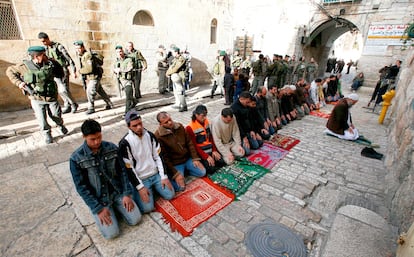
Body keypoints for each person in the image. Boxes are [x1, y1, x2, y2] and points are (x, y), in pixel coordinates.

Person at [69, 119, 142, 240]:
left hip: (117, 193)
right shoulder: (76, 158)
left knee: (136, 220)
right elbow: (81, 187)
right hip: (100, 200)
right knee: (112, 234)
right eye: (92, 139)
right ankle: (110, 211)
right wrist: (98, 209)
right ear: (84, 137)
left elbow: (122, 172)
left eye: (99, 137)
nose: (97, 142)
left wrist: (126, 194)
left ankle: (117, 209)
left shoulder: (111, 148)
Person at [6, 46, 68, 144]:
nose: (44, 56)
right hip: (36, 97)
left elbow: (60, 74)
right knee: (41, 118)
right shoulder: (24, 66)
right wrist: (20, 83)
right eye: (42, 55)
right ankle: (47, 133)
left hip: (51, 96)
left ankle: (60, 125)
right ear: (36, 56)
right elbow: (10, 71)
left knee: (56, 115)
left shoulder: (50, 63)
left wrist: (55, 63)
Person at [119, 110, 174, 213]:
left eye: (140, 123)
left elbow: (158, 156)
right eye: (135, 125)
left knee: (170, 195)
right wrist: (140, 187)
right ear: (129, 127)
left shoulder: (150, 135)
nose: (139, 127)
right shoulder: (125, 143)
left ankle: (154, 190)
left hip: (155, 174)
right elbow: (129, 168)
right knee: (147, 208)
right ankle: (142, 192)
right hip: (141, 179)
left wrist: (164, 177)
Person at [154, 111, 206, 191]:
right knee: (180, 187)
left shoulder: (179, 126)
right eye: (166, 122)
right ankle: (178, 175)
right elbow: (165, 158)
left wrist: (195, 158)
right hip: (175, 163)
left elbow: (189, 143)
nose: (170, 123)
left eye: (170, 119)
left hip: (187, 158)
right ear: (161, 124)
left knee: (202, 172)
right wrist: (176, 173)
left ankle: (186, 171)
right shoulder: (158, 136)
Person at [38, 32, 78, 114]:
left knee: (63, 90)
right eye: (42, 42)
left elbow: (69, 59)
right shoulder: (46, 50)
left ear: (48, 39)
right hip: (54, 71)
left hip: (63, 70)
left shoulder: (58, 47)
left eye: (44, 41)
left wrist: (73, 71)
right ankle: (67, 105)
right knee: (61, 90)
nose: (43, 43)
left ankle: (73, 104)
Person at [73, 40, 113, 114]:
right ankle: (109, 103)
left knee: (89, 91)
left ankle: (91, 107)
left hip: (94, 76)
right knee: (100, 90)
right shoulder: (82, 56)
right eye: (76, 48)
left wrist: (80, 71)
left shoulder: (87, 55)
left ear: (82, 47)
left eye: (79, 48)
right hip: (92, 76)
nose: (77, 50)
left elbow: (89, 68)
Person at [185, 105, 225, 174]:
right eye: (202, 116)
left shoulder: (206, 121)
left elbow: (210, 137)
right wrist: (206, 156)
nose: (205, 118)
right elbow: (194, 146)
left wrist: (214, 150)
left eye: (205, 115)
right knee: (211, 169)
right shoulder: (189, 127)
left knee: (222, 162)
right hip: (201, 152)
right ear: (196, 115)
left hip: (210, 148)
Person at [113, 45, 135, 114]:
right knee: (129, 95)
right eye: (117, 52)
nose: (119, 53)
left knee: (128, 96)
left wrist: (120, 70)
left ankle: (127, 112)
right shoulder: (117, 62)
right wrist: (114, 70)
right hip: (121, 81)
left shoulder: (128, 60)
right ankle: (134, 102)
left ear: (123, 51)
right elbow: (115, 69)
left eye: (120, 51)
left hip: (128, 81)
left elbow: (130, 68)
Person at [166, 47, 188, 112]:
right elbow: (171, 67)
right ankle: (179, 104)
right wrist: (168, 72)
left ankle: (184, 106)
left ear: (176, 52)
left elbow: (176, 68)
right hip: (175, 76)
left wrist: (168, 73)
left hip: (180, 76)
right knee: (176, 91)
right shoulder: (175, 59)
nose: (172, 54)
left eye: (173, 52)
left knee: (180, 91)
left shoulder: (181, 58)